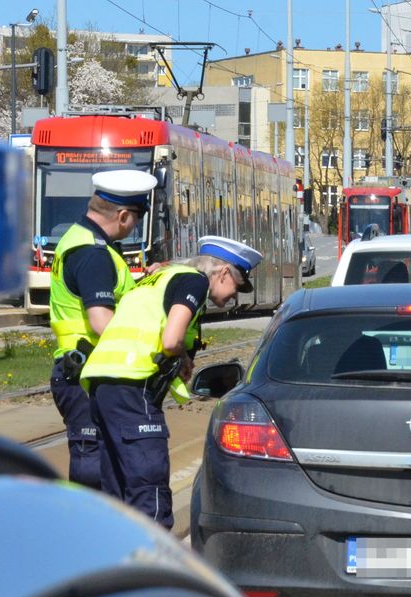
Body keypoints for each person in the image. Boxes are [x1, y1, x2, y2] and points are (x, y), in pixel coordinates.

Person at [81, 236, 261, 528]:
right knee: (146, 490)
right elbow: (171, 339)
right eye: (237, 287)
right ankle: (154, 565)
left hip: (101, 385)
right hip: (134, 387)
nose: (234, 297)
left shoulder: (157, 278)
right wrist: (184, 360)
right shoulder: (195, 282)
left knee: (115, 489)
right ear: (224, 273)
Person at [48, 168, 158, 490]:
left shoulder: (81, 240)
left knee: (99, 463)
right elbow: (101, 321)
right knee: (92, 468)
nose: (136, 224)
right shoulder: (93, 253)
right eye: (137, 216)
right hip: (86, 373)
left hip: (81, 368)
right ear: (123, 215)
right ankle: (85, 534)